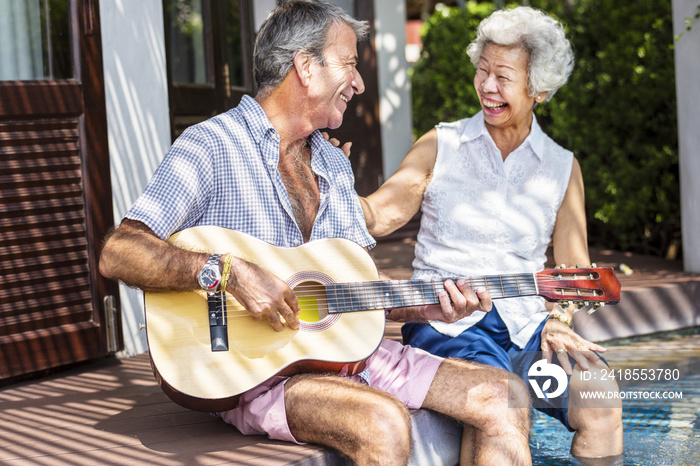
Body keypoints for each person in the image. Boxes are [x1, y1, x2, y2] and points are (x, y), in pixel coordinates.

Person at [99, 1, 532, 464]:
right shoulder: (210, 146)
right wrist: (229, 272)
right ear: (305, 67)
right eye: (349, 64)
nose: (360, 83)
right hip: (255, 372)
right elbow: (119, 252)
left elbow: (357, 291)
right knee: (382, 422)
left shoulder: (331, 163)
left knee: (504, 395)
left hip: (350, 356)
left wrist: (426, 308)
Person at [360, 6, 623, 465]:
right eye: (482, 71)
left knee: (599, 396)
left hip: (527, 329)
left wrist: (560, 318)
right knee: (503, 401)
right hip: (448, 323)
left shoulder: (563, 168)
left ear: (538, 88)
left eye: (502, 76)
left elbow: (573, 274)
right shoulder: (441, 144)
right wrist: (327, 189)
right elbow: (379, 215)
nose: (486, 86)